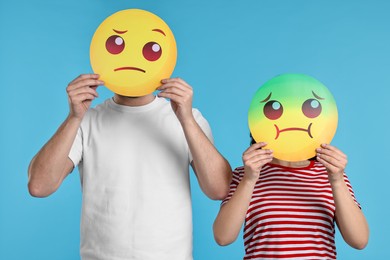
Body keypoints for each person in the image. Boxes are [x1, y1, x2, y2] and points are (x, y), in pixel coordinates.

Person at [28, 74, 232, 260]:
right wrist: (74, 117)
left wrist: (186, 119)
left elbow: (219, 189)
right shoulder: (86, 120)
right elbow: (39, 186)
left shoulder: (188, 118)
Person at [213, 137, 369, 259]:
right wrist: (249, 179)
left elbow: (359, 240)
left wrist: (337, 180)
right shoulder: (245, 174)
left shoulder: (332, 174)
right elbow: (223, 237)